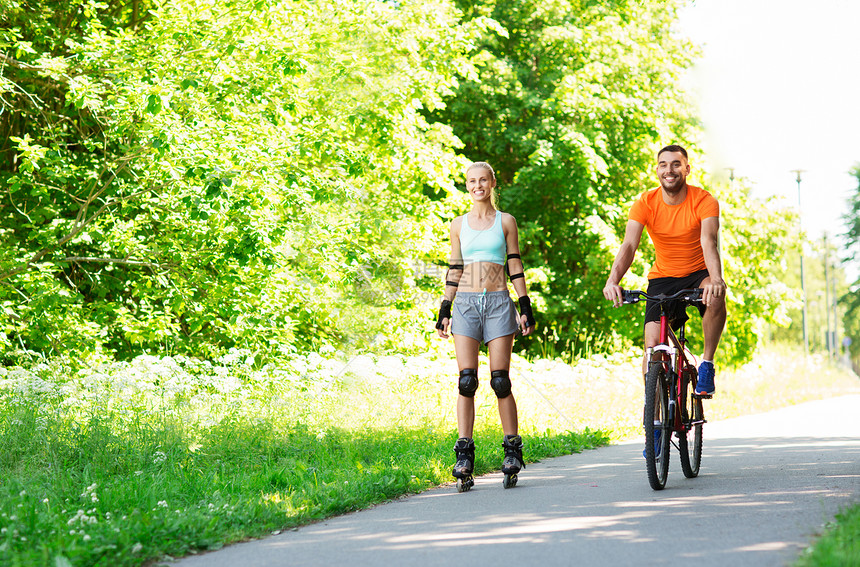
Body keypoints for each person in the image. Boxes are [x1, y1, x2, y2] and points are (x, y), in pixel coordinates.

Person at [435, 161, 536, 489]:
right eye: (471, 181)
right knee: (466, 381)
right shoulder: (458, 225)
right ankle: (464, 455)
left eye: (483, 180)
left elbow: (515, 262)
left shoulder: (506, 222)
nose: (478, 185)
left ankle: (512, 450)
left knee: (500, 381)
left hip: (497, 304)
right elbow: (455, 266)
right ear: (467, 186)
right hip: (465, 306)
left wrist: (524, 305)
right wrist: (445, 307)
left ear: (493, 182)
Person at [603, 144, 727, 397]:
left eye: (676, 164)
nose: (669, 170)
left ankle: (706, 364)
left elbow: (708, 242)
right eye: (663, 164)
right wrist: (612, 280)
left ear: (687, 169)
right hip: (662, 278)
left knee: (715, 296)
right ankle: (656, 413)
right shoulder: (645, 203)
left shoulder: (704, 201)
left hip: (698, 274)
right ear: (657, 170)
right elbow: (629, 244)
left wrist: (716, 279)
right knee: (652, 348)